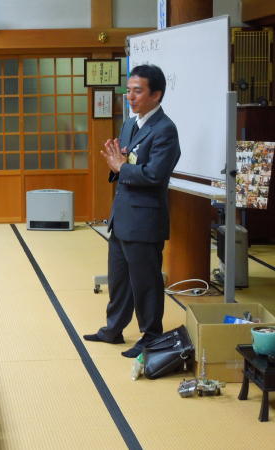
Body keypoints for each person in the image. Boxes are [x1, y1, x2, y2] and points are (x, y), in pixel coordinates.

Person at [84, 64, 181, 358]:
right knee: (118, 279)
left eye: (137, 91)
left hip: (145, 220)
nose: (130, 97)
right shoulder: (129, 124)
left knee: (146, 283)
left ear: (156, 94)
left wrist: (122, 167)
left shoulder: (165, 129)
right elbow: (124, 164)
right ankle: (113, 329)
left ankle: (150, 337)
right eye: (128, 90)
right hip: (122, 215)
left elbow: (154, 176)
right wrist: (118, 165)